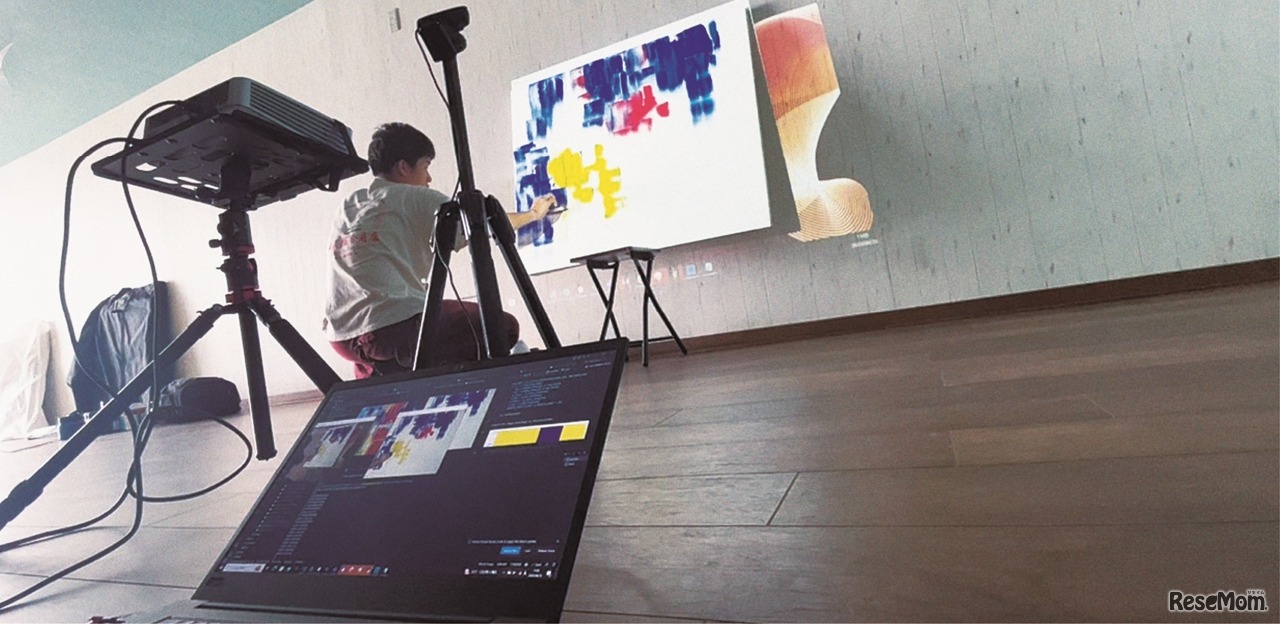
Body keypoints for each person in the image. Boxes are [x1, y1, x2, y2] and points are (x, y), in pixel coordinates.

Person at [323, 122, 554, 378]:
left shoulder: (351, 203)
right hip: (392, 329)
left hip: (342, 338)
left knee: (394, 348)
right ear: (403, 167)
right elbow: (480, 224)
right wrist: (534, 214)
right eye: (425, 167)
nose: (429, 178)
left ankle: (386, 372)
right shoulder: (417, 197)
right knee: (503, 327)